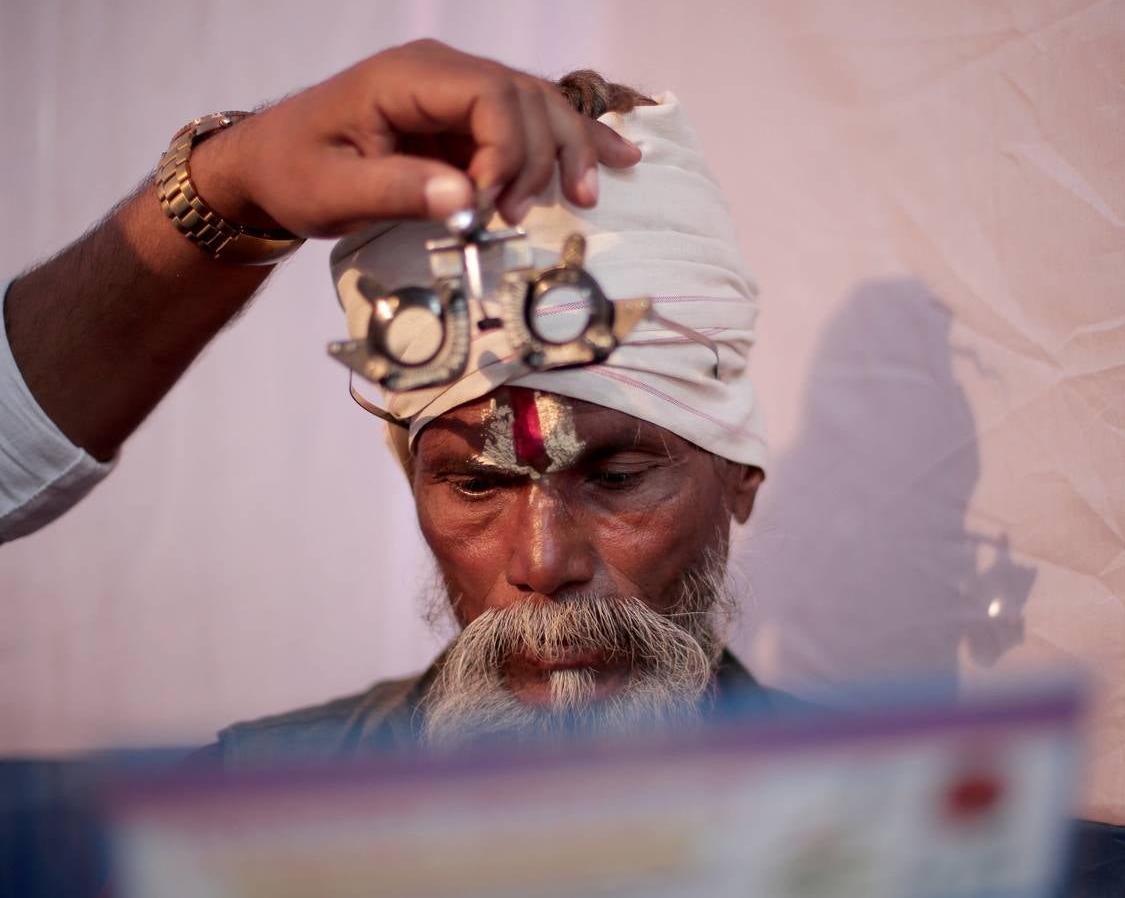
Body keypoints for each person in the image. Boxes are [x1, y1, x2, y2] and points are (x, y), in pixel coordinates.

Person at [0, 39, 793, 763]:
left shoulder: (892, 821)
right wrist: (226, 181)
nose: (542, 564)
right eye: (476, 484)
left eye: (616, 476)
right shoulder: (268, 808)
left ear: (739, 471)